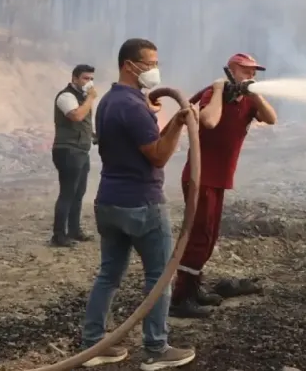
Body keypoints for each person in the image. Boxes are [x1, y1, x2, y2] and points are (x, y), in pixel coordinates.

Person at [80, 38, 197, 369]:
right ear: (129, 65)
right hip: (142, 204)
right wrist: (177, 123)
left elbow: (125, 136)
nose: (155, 70)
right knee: (159, 275)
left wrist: (154, 117)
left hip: (109, 202)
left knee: (109, 275)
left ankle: (93, 345)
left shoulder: (110, 102)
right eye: (150, 63)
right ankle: (156, 349)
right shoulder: (133, 108)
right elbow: (158, 156)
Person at [169, 53, 277, 318]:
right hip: (199, 177)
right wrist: (218, 89)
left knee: (208, 237)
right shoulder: (212, 94)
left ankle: (194, 289)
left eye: (254, 72)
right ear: (232, 70)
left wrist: (255, 94)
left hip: (219, 179)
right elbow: (209, 121)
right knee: (197, 237)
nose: (252, 75)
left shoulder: (250, 100)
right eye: (247, 71)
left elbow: (271, 118)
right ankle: (181, 299)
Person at [51, 64, 97, 247]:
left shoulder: (83, 98)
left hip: (81, 150)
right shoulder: (66, 96)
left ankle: (74, 230)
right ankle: (58, 235)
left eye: (92, 79)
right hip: (68, 150)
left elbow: (83, 124)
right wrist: (91, 99)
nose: (90, 83)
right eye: (86, 78)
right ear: (75, 79)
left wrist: (94, 137)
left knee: (79, 193)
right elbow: (76, 116)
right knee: (67, 193)